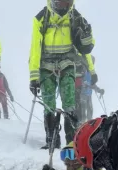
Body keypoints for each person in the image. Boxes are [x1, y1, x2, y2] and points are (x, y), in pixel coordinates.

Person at [29, 0, 95, 149]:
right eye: (61, 3)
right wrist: (34, 77)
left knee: (70, 103)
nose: (64, 7)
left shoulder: (76, 17)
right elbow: (35, 48)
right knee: (49, 105)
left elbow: (85, 49)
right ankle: (52, 140)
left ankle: (72, 142)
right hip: (46, 66)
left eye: (67, 3)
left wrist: (87, 37)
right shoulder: (41, 18)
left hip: (67, 64)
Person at [79, 55, 104, 123]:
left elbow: (93, 84)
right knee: (83, 112)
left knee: (90, 110)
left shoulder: (90, 73)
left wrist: (99, 90)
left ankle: (89, 125)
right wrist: (84, 84)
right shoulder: (82, 70)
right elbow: (79, 81)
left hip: (88, 95)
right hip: (82, 94)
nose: (92, 63)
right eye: (91, 62)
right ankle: (81, 125)